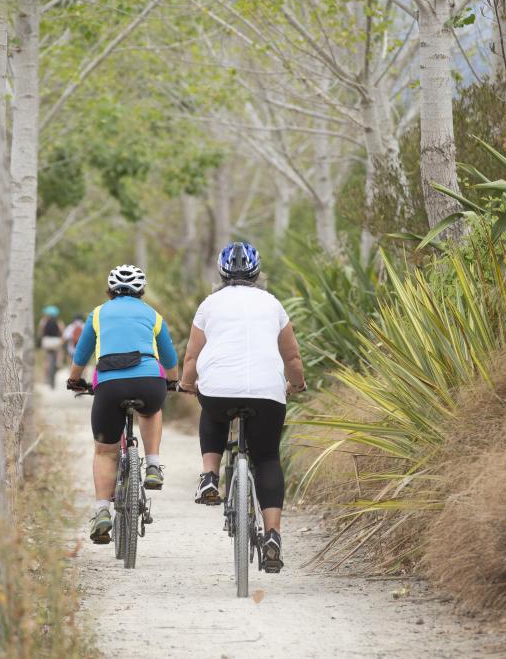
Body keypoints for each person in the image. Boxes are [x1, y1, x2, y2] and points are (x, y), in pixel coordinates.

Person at [178, 242, 306, 574]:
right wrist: (297, 384)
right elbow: (291, 357)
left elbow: (191, 358)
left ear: (221, 274)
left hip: (218, 389)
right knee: (266, 458)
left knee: (214, 411)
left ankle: (209, 476)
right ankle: (273, 535)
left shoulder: (209, 304)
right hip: (267, 392)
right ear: (257, 273)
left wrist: (187, 384)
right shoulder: (273, 304)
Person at [66, 265, 179, 544]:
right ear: (141, 290)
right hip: (149, 383)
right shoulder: (153, 315)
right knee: (151, 410)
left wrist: (74, 380)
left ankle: (102, 511)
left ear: (110, 289)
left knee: (105, 452)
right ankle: (153, 465)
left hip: (110, 386)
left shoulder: (98, 314)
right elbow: (169, 357)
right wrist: (173, 381)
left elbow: (81, 355)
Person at [38, 305, 65, 388]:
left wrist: (41, 338)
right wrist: (61, 340)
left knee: (46, 358)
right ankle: (58, 362)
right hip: (56, 342)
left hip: (46, 341)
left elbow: (40, 332)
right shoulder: (59, 322)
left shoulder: (43, 321)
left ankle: (45, 376)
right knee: (61, 350)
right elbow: (62, 332)